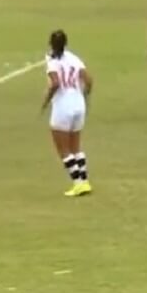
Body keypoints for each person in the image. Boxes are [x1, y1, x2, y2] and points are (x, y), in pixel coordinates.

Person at [41, 30, 93, 197]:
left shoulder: (52, 61)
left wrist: (46, 100)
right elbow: (89, 80)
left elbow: (55, 83)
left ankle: (77, 183)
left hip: (63, 106)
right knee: (75, 145)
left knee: (63, 148)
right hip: (78, 104)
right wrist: (84, 95)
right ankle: (84, 181)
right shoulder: (74, 58)